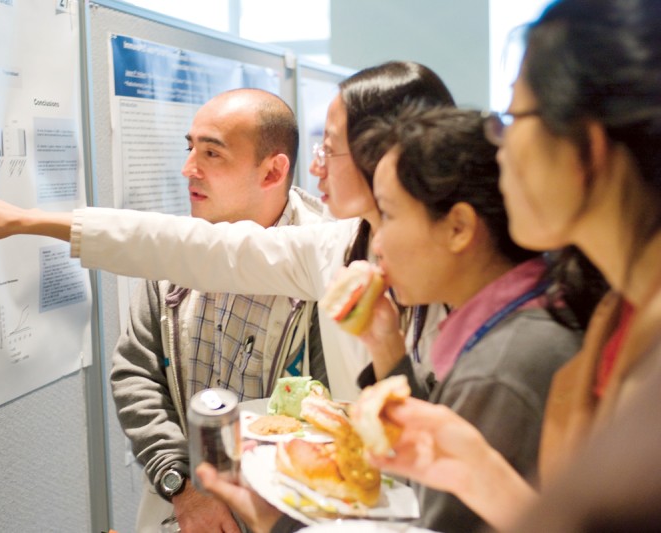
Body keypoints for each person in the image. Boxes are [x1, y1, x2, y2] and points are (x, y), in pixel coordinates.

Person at [0, 61, 455, 401]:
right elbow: (184, 247)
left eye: (329, 146)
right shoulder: (335, 248)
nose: (315, 166)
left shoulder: (471, 274)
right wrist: (28, 221)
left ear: (386, 153)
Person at [197, 106, 597, 533]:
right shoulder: (518, 325)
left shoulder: (502, 368)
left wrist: (278, 523)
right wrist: (385, 344)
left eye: (386, 215)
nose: (377, 243)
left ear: (459, 227)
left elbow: (434, 521)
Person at [365, 0, 661, 530]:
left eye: (512, 117)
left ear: (586, 147)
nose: (497, 147)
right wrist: (481, 472)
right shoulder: (615, 313)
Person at [114, 88, 331, 533]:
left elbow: (338, 417)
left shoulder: (326, 264)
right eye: (190, 147)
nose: (188, 168)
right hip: (184, 511)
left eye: (211, 153)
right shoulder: (175, 254)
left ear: (272, 171)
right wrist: (182, 487)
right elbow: (136, 371)